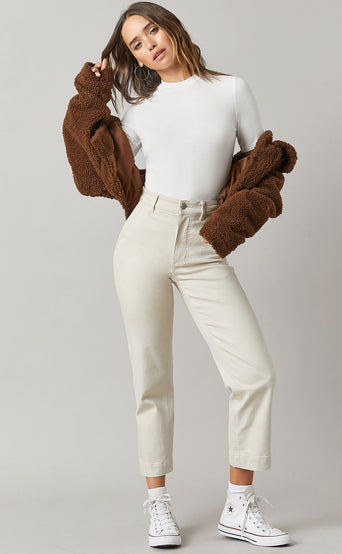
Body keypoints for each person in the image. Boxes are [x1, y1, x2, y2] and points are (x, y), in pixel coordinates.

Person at [63, 1, 296, 548]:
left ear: (171, 28)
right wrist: (93, 94)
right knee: (152, 378)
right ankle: (158, 507)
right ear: (133, 57)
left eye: (152, 30)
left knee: (254, 374)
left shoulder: (231, 90)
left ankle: (239, 506)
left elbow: (261, 168)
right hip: (144, 236)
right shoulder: (139, 107)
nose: (150, 44)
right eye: (136, 44)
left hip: (202, 240)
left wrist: (228, 226)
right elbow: (94, 169)